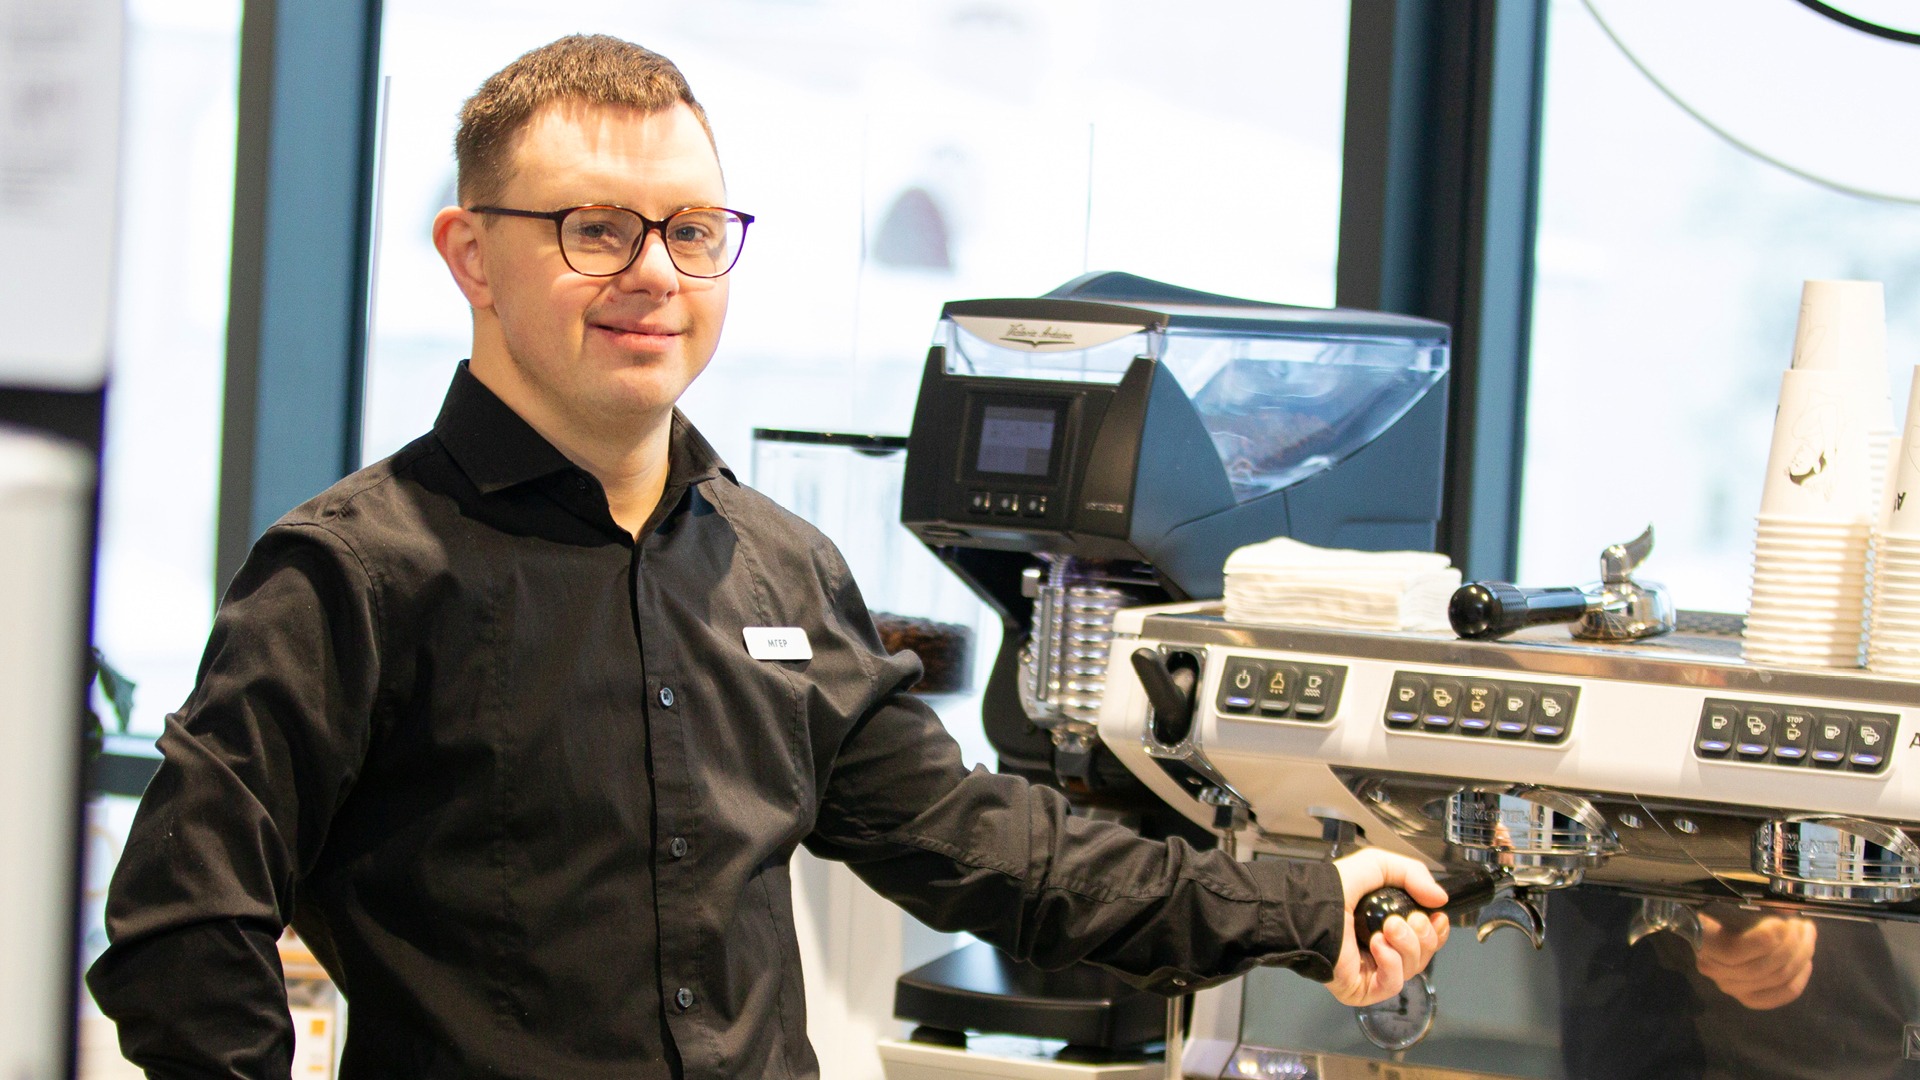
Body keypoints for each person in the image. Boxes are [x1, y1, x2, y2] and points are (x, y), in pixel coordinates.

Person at [88, 34, 1448, 1078]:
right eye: (594, 228)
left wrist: (1291, 906)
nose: (654, 275)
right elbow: (178, 934)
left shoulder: (778, 569)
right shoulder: (354, 575)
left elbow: (983, 845)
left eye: (689, 230)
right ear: (471, 256)